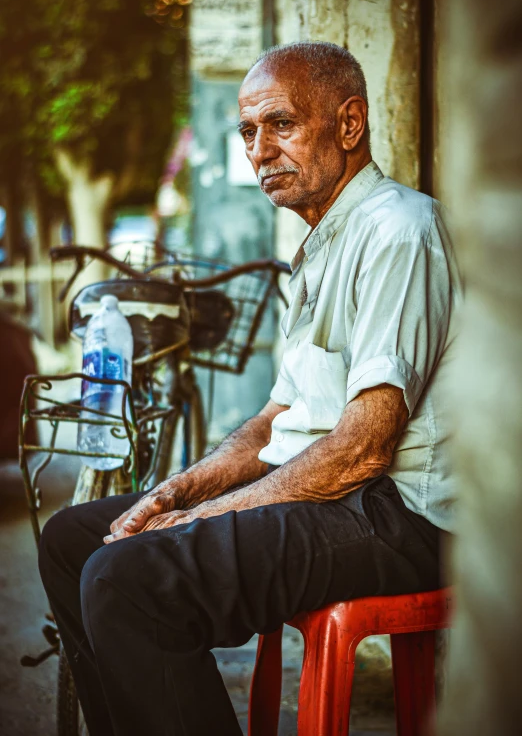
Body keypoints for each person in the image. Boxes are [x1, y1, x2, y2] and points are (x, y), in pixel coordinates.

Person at [39, 42, 461, 736]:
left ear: (349, 125)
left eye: (281, 124)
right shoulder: (322, 247)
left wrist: (214, 515)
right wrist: (178, 492)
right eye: (247, 132)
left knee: (129, 582)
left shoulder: (398, 230)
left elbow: (364, 447)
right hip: (339, 492)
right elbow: (273, 422)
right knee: (75, 540)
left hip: (402, 515)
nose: (259, 150)